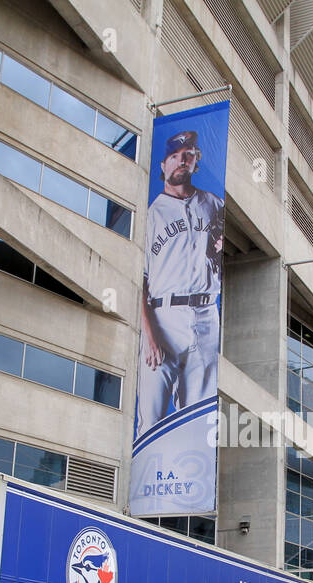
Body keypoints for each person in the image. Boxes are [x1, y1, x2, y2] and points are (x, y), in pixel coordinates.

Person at [135, 128, 225, 439]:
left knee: (199, 420)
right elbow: (139, 283)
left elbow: (220, 257)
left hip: (205, 315)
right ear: (163, 165)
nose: (181, 161)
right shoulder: (149, 215)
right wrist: (149, 336)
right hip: (162, 317)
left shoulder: (214, 205)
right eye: (173, 156)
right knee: (151, 419)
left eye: (187, 155)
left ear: (195, 160)